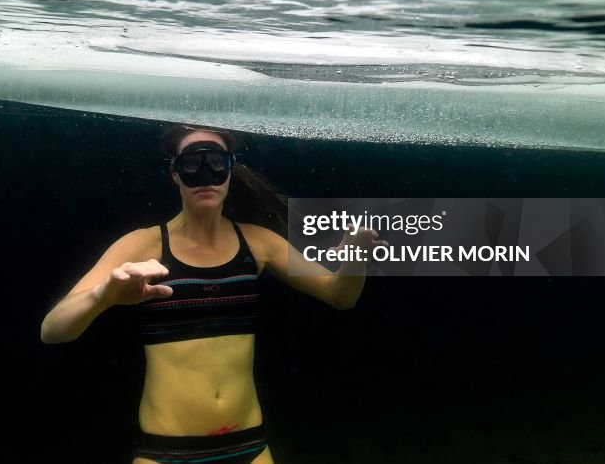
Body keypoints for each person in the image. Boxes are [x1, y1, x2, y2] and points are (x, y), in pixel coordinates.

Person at [40, 124, 384, 463]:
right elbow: (52, 330)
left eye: (216, 162)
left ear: (231, 168)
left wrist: (355, 259)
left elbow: (340, 295)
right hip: (166, 451)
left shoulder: (258, 242)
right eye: (191, 163)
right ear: (175, 174)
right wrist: (103, 296)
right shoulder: (143, 244)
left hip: (250, 446)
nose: (205, 174)